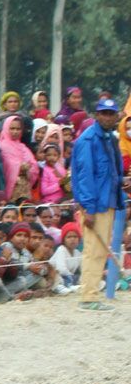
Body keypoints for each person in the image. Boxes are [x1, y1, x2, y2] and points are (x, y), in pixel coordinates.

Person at [72, 98, 125, 311]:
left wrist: (123, 181)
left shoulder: (110, 139)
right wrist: (88, 208)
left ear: (116, 116)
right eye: (103, 113)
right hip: (95, 204)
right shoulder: (87, 140)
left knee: (100, 250)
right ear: (96, 115)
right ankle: (88, 297)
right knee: (94, 249)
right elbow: (84, 177)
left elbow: (110, 172)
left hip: (109, 200)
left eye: (111, 113)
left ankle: (91, 293)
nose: (107, 117)